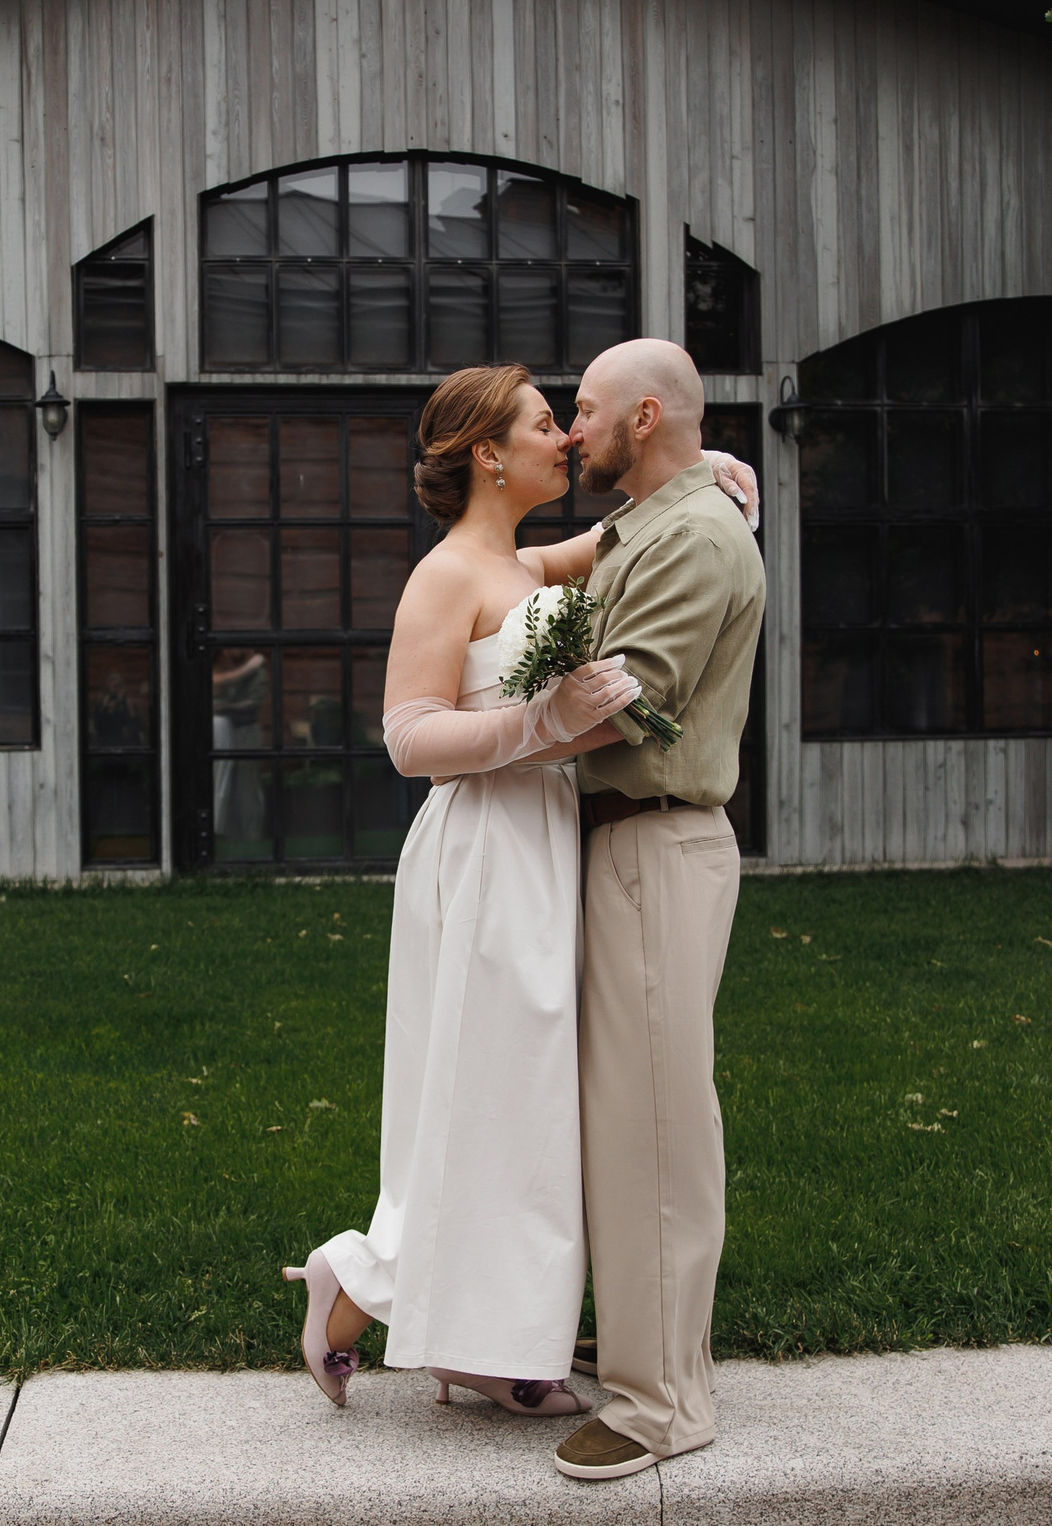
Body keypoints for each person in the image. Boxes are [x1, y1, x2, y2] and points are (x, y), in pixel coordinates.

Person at [281, 362, 758, 1419]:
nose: (569, 441)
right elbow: (408, 738)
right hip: (487, 851)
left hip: (547, 843)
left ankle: (484, 1343)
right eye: (549, 425)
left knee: (530, 1109)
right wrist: (537, 727)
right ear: (490, 454)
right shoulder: (450, 572)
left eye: (572, 419)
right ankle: (364, 1288)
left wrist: (704, 462)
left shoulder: (522, 559)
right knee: (488, 1095)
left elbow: (609, 540)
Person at [548, 339, 766, 1483]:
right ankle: (643, 1336)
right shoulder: (656, 518)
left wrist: (471, 738)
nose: (567, 429)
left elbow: (624, 702)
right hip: (621, 849)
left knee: (658, 1130)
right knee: (619, 1120)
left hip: (655, 843)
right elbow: (548, 590)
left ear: (641, 417)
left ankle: (661, 1404)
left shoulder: (690, 535)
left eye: (580, 412)